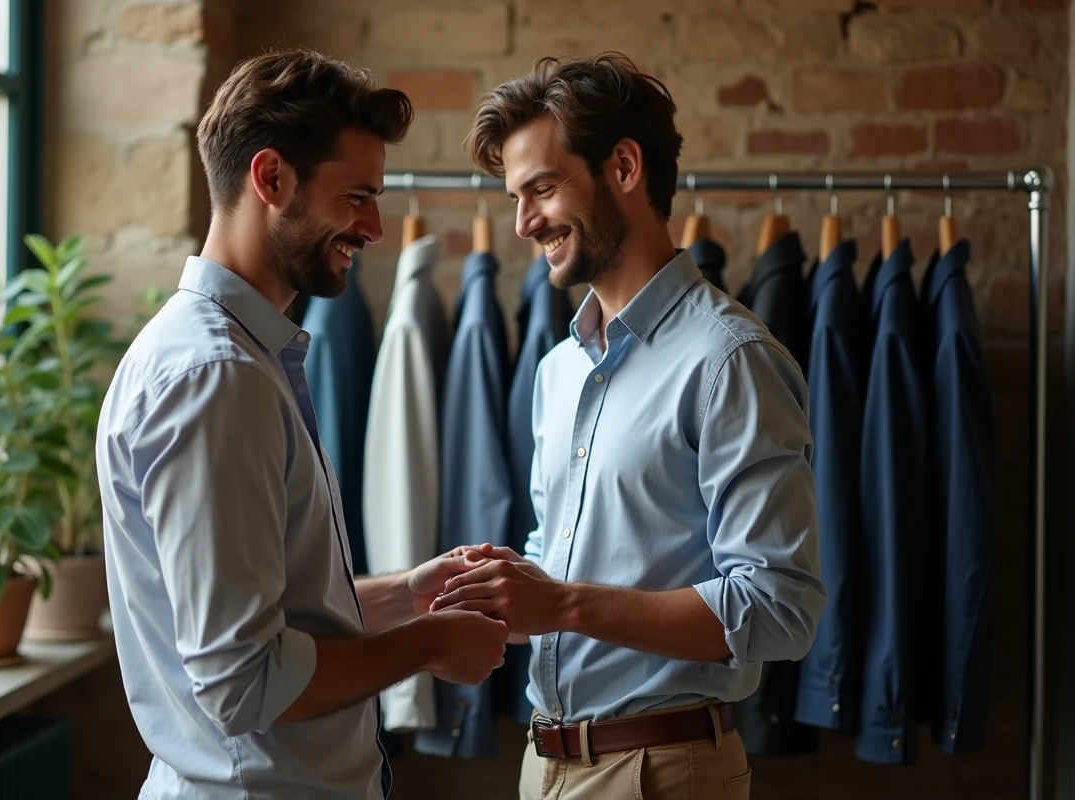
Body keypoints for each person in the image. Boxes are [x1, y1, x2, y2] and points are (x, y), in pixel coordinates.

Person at [95, 49, 509, 800]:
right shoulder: (217, 378)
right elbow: (244, 682)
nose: (375, 227)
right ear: (272, 179)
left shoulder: (233, 361)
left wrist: (405, 595)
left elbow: (268, 613)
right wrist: (427, 645)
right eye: (357, 197)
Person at [431, 53, 828, 800]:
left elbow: (780, 608)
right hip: (543, 764)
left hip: (662, 773)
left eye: (542, 189)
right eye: (516, 197)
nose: (523, 223)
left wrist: (563, 604)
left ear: (623, 167)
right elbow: (562, 573)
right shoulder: (557, 372)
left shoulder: (729, 359)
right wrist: (504, 593)